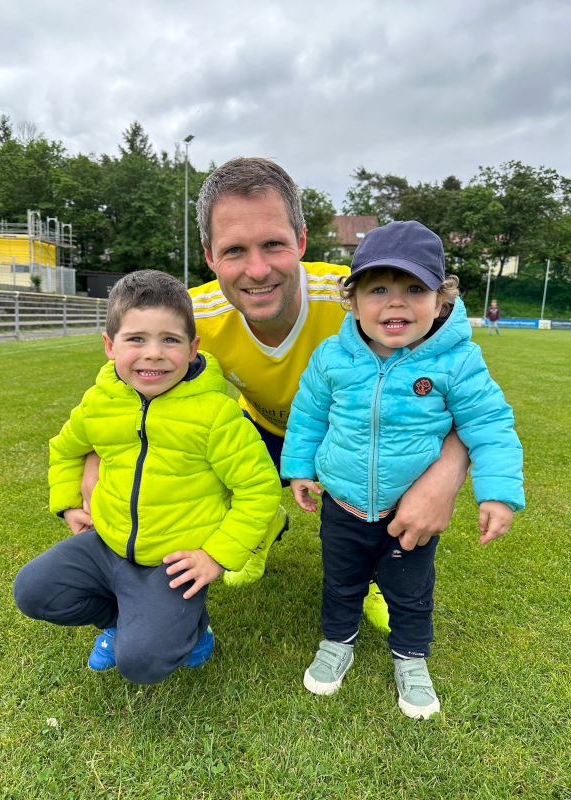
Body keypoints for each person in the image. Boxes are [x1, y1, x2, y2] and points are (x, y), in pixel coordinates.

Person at [81, 157, 470, 632]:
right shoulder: (191, 317)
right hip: (262, 432)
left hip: (359, 436)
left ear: (302, 241)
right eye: (234, 251)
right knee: (196, 452)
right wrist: (96, 459)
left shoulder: (365, 300)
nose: (257, 269)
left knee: (394, 460)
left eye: (273, 245)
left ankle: (376, 578)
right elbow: (120, 385)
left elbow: (467, 396)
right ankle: (260, 528)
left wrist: (445, 476)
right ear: (208, 255)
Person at [281, 221, 524, 719]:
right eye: (378, 290)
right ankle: (337, 642)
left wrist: (497, 492)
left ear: (440, 300)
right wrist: (299, 469)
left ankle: (411, 659)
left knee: (410, 591)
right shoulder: (331, 356)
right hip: (342, 503)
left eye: (414, 288)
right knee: (340, 581)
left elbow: (490, 423)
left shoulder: (457, 361)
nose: (396, 303)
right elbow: (308, 415)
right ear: (352, 303)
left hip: (409, 512)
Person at [13, 270, 281, 684]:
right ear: (109, 345)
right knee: (32, 590)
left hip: (173, 562)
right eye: (136, 339)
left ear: (193, 349)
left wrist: (216, 556)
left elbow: (258, 489)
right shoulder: (98, 403)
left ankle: (195, 631)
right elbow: (65, 448)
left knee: (140, 664)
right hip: (107, 543)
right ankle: (118, 618)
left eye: (170, 340)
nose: (153, 353)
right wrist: (68, 504)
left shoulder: (215, 415)